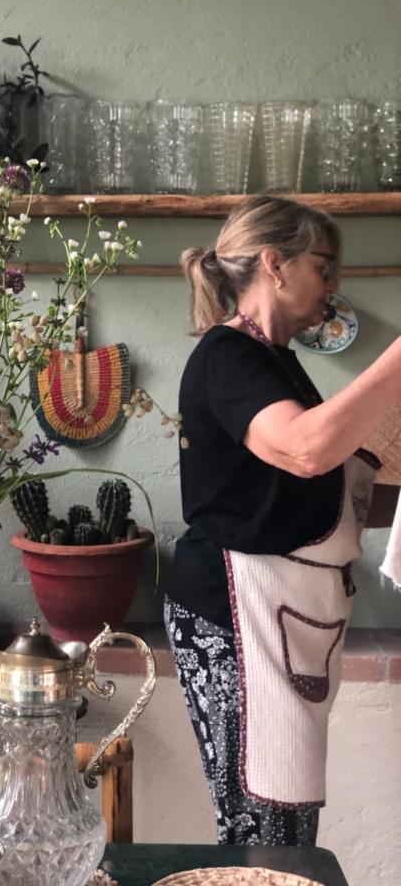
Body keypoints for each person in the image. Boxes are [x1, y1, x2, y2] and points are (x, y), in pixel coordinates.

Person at [164, 194, 401, 847]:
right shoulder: (227, 355)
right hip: (235, 612)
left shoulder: (276, 361)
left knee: (285, 823)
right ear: (275, 264)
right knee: (260, 824)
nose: (332, 287)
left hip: (281, 611)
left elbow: (314, 492)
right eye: (324, 268)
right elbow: (305, 449)